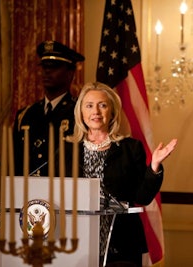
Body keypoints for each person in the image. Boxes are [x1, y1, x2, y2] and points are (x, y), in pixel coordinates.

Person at [66, 82, 177, 266]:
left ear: (112, 112)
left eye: (102, 105)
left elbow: (142, 196)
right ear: (81, 112)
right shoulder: (66, 151)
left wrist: (154, 166)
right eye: (89, 105)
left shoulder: (130, 148)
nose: (96, 111)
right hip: (76, 244)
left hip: (122, 244)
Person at [13, 40, 85, 176]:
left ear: (70, 73)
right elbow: (16, 164)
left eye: (54, 66)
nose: (47, 71)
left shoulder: (79, 113)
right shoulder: (25, 115)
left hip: (64, 192)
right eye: (44, 66)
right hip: (28, 192)